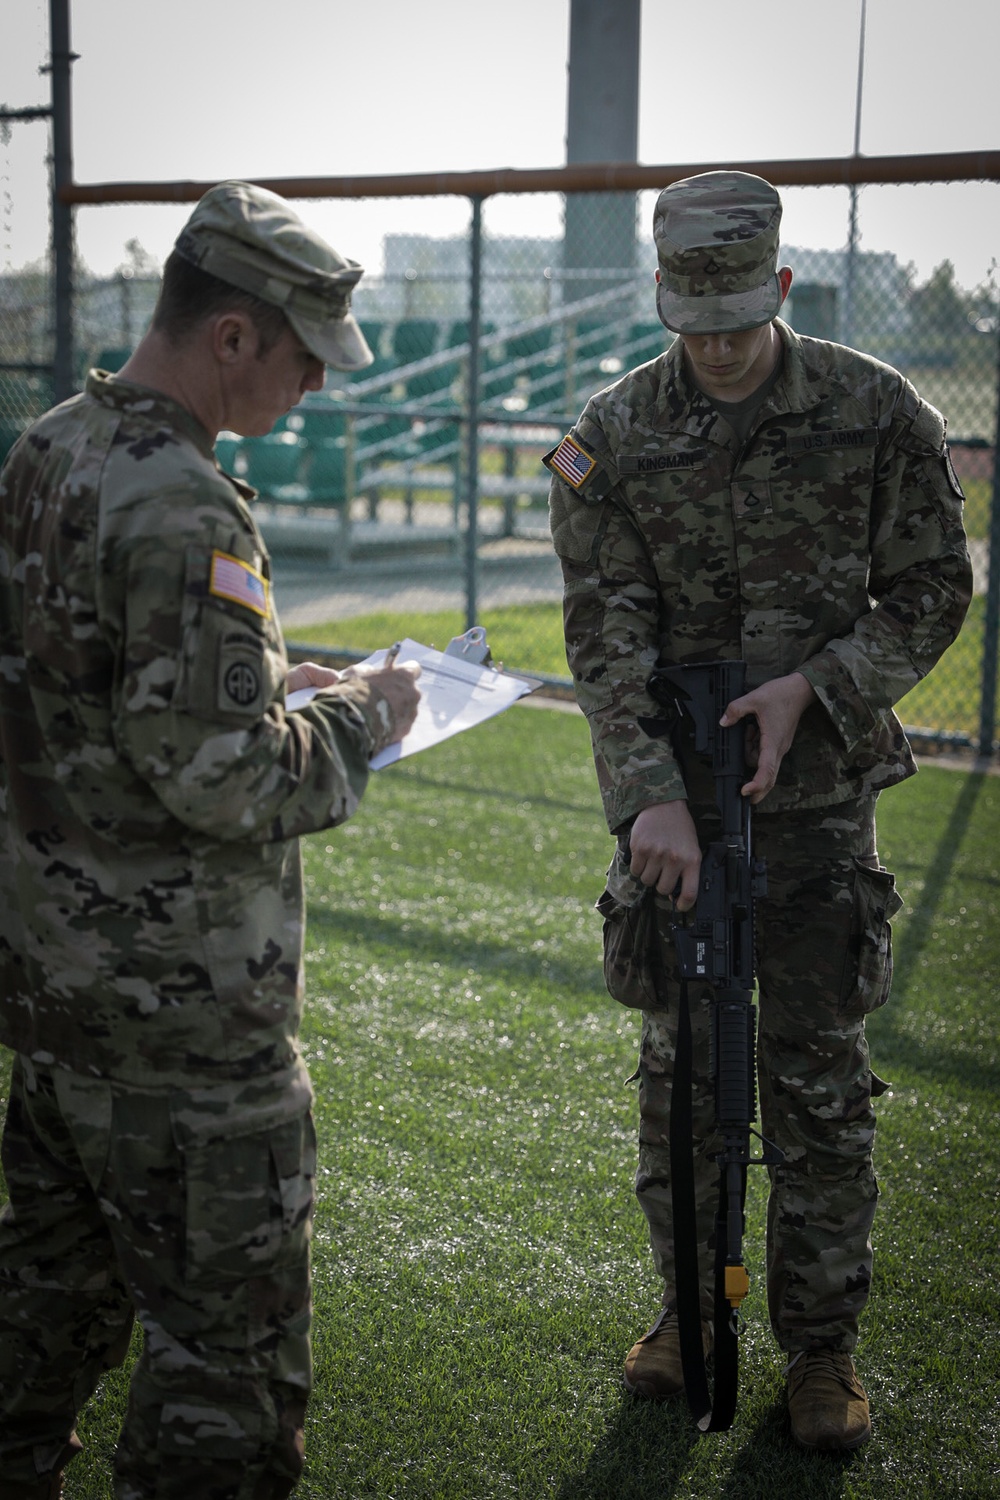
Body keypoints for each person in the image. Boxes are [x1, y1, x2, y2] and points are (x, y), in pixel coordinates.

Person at [0, 180, 421, 1499]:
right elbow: (229, 784)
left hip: (55, 1005)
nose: (308, 385)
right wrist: (363, 718)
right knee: (222, 1396)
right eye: (300, 354)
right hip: (185, 1036)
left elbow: (91, 701)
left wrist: (258, 692)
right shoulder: (187, 506)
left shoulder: (47, 447)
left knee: (34, 1333)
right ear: (232, 335)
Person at [545, 171, 972, 1451]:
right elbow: (602, 633)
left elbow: (933, 588)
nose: (718, 349)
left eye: (737, 319)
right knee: (682, 1076)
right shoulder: (611, 436)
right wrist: (647, 805)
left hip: (818, 810)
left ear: (781, 288)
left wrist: (817, 690)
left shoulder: (874, 411)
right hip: (678, 817)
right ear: (664, 302)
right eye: (693, 323)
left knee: (819, 1087)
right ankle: (687, 1307)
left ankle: (823, 1353)